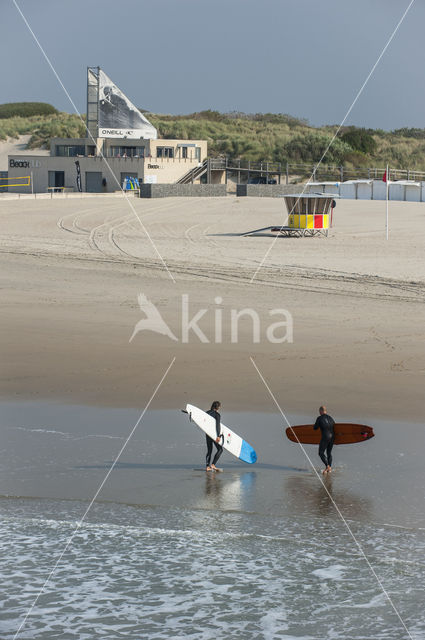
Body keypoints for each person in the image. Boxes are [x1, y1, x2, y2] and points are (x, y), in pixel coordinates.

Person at [313, 405, 335, 474]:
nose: (319, 413)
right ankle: (329, 468)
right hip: (332, 437)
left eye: (319, 411)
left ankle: (327, 466)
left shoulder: (319, 418)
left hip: (325, 437)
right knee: (329, 453)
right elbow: (335, 426)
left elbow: (315, 427)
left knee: (321, 453)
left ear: (321, 411)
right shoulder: (331, 418)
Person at [205, 401, 223, 472]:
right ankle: (213, 465)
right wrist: (218, 436)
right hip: (213, 434)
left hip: (207, 433)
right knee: (220, 449)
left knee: (209, 450)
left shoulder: (206, 413)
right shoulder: (217, 415)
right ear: (218, 407)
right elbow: (217, 426)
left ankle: (207, 466)